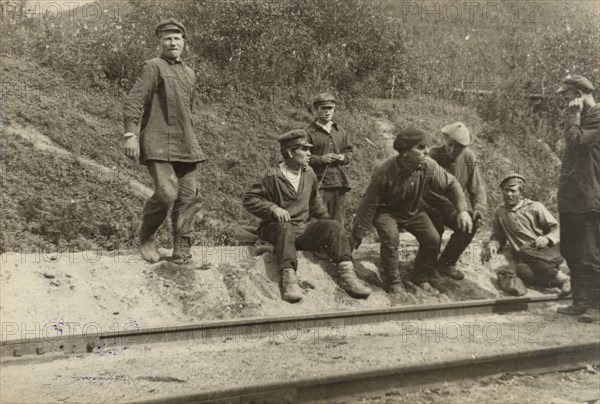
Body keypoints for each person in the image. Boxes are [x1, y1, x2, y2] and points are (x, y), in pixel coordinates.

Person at [243, 130, 371, 303]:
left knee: (333, 225)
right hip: (276, 229)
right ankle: (289, 280)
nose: (310, 154)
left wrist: (329, 228)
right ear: (289, 152)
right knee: (285, 226)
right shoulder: (272, 175)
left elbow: (315, 203)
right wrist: (273, 208)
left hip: (301, 230)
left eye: (309, 149)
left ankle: (348, 277)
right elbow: (250, 199)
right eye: (304, 149)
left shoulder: (308, 174)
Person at [123, 19, 205, 265]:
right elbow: (134, 101)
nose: (172, 43)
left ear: (184, 42)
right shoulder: (152, 67)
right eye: (167, 38)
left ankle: (181, 251)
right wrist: (130, 134)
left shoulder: (189, 73)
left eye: (177, 38)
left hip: (186, 145)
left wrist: (191, 138)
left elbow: (188, 111)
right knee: (167, 193)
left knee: (190, 197)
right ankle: (147, 237)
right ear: (159, 42)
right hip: (158, 143)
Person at [351, 127, 473, 294]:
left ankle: (420, 276)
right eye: (421, 148)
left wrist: (463, 210)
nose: (427, 151)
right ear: (405, 152)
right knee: (391, 239)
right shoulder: (384, 172)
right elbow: (368, 205)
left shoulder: (428, 165)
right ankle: (392, 281)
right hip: (387, 212)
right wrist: (357, 235)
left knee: (432, 238)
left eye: (426, 147)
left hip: (412, 210)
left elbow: (451, 184)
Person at [555, 75, 600, 321]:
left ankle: (596, 307)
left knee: (590, 254)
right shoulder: (583, 118)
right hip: (573, 199)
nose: (565, 103)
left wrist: (572, 117)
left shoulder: (596, 118)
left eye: (568, 97)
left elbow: (577, 142)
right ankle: (580, 302)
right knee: (571, 252)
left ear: (580, 95)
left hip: (590, 198)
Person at [481, 174, 571, 294]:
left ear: (521, 193)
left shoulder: (535, 207)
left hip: (549, 251)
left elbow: (556, 228)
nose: (509, 194)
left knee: (525, 250)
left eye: (513, 191)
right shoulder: (500, 211)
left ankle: (563, 278)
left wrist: (547, 238)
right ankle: (562, 282)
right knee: (521, 270)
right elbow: (498, 236)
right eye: (505, 190)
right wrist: (493, 244)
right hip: (530, 258)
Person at [424, 122, 487, 280]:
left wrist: (478, 208)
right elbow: (425, 191)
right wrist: (457, 209)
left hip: (454, 208)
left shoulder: (469, 157)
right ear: (445, 141)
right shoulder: (432, 155)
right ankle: (428, 268)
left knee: (471, 223)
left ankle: (446, 263)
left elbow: (477, 187)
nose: (452, 150)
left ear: (465, 147)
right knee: (435, 228)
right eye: (449, 145)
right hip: (430, 205)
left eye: (458, 147)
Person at [304, 93, 352, 225]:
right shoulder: (308, 132)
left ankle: (336, 245)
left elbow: (349, 152)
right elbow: (301, 158)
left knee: (338, 221)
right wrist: (321, 159)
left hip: (338, 183)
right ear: (316, 110)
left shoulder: (340, 131)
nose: (327, 112)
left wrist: (343, 157)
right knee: (318, 220)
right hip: (318, 184)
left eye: (330, 108)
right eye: (323, 108)